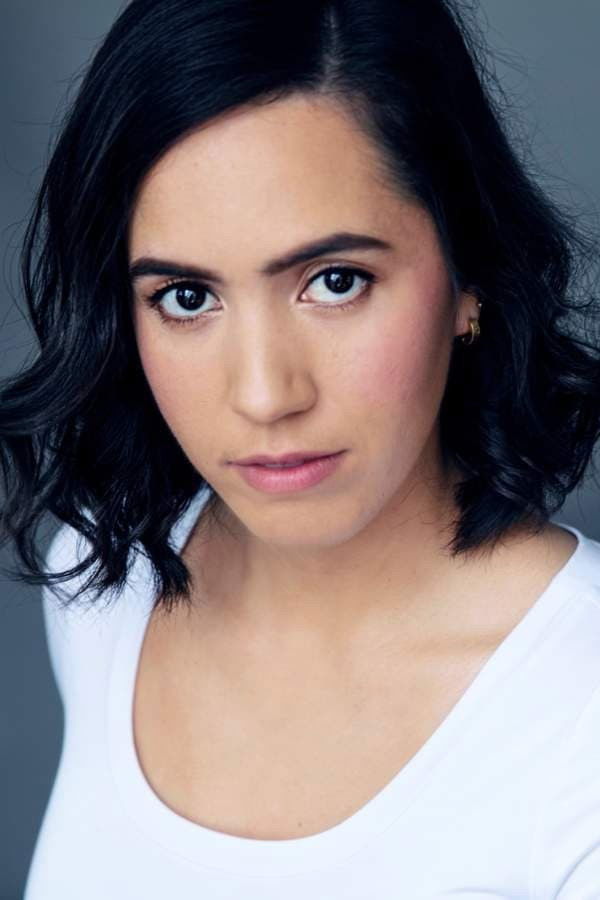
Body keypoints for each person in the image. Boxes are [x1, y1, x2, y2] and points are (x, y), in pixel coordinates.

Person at [1, 0, 599, 896]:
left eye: (335, 281)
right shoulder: (102, 583)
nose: (264, 394)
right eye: (187, 297)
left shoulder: (579, 715)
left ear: (469, 274)